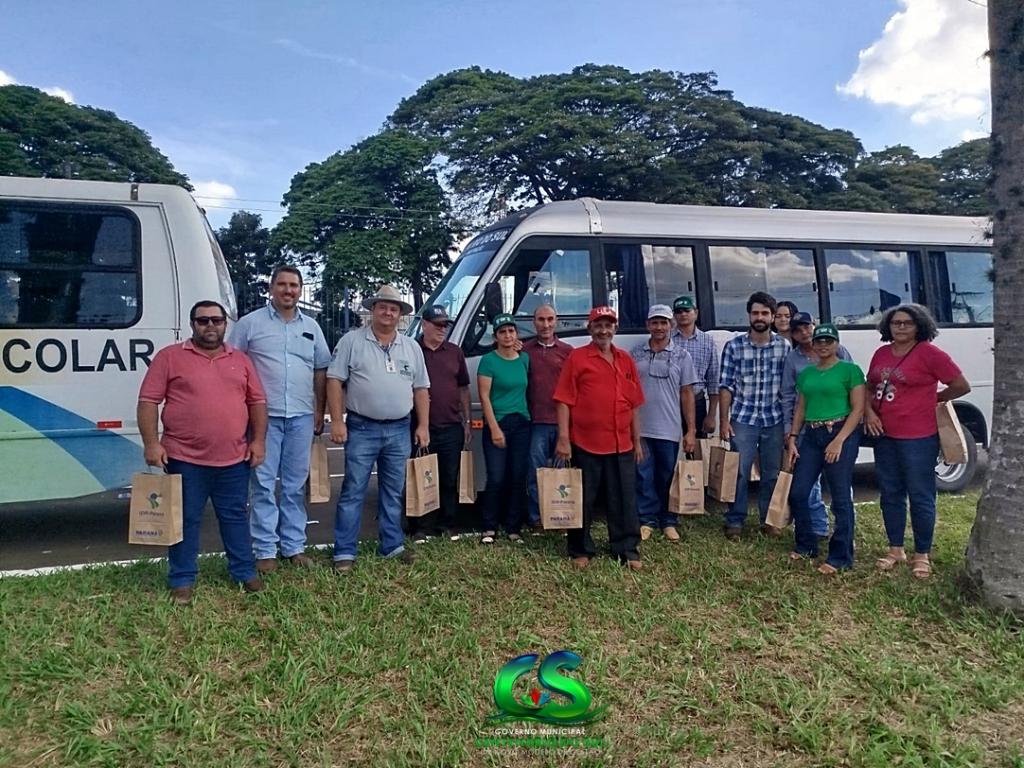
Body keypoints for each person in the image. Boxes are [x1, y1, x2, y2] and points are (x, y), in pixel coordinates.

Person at [137, 300, 268, 605]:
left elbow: (257, 404)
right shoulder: (170, 357)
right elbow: (148, 401)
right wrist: (151, 443)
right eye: (203, 321)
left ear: (226, 324)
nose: (210, 326)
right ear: (192, 324)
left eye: (216, 321)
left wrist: (258, 441)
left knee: (235, 517)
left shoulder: (241, 360)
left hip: (234, 458)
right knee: (185, 519)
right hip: (184, 458)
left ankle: (244, 572)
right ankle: (182, 578)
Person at [228, 265, 331, 572]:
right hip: (263, 419)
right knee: (261, 484)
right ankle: (264, 551)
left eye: (294, 285)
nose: (288, 290)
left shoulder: (312, 326)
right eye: (282, 284)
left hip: (300, 416)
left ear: (301, 290)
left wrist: (319, 410)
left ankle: (294, 547)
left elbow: (321, 370)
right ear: (271, 288)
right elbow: (233, 369)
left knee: (294, 486)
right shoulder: (250, 325)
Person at [326, 285, 430, 572]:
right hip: (362, 428)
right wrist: (336, 421)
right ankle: (344, 552)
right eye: (382, 307)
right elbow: (334, 380)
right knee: (353, 490)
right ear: (372, 310)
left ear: (400, 314)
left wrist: (423, 425)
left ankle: (392, 546)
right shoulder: (351, 341)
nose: (388, 312)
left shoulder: (411, 346)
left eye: (394, 308)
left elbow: (421, 388)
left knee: (393, 490)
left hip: (400, 429)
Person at [865, 303, 971, 579]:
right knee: (890, 493)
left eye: (907, 323)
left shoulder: (930, 354)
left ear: (919, 326)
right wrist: (869, 414)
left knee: (921, 494)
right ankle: (895, 549)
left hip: (918, 437)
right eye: (895, 322)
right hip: (884, 435)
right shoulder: (881, 353)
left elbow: (961, 384)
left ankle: (922, 554)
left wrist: (933, 399)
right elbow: (869, 386)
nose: (900, 327)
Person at [554, 306, 645, 570]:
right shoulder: (578, 358)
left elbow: (634, 404)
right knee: (583, 499)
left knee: (624, 499)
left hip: (621, 444)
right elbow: (563, 400)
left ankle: (626, 549)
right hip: (586, 442)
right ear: (589, 328)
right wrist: (563, 438)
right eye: (598, 325)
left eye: (608, 325)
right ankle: (580, 549)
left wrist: (637, 441)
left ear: (615, 329)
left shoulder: (625, 360)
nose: (603, 330)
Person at [786, 324, 866, 574]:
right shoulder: (807, 374)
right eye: (819, 341)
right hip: (812, 434)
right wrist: (792, 437)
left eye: (828, 341)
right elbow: (801, 407)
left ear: (837, 344)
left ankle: (841, 555)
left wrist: (839, 440)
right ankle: (806, 545)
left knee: (840, 496)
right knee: (798, 492)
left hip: (841, 431)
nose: (823, 345)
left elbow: (858, 409)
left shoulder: (850, 370)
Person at [719, 291, 790, 540]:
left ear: (772, 317)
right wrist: (724, 420)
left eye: (764, 313)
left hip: (774, 419)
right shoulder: (734, 346)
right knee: (739, 472)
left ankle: (768, 520)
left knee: (771, 473)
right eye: (755, 312)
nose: (759, 317)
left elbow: (788, 388)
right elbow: (726, 386)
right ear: (749, 315)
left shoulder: (784, 346)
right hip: (743, 419)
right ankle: (735, 520)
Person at [780, 311, 854, 539]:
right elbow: (791, 398)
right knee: (804, 487)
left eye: (807, 327)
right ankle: (815, 531)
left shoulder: (844, 360)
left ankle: (845, 537)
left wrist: (842, 437)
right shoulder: (796, 361)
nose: (804, 333)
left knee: (840, 489)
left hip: (839, 430)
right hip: (807, 430)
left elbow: (855, 399)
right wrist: (790, 432)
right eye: (798, 329)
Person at [632, 304, 698, 542]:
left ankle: (668, 520)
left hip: (669, 428)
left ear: (671, 325)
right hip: (641, 427)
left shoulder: (682, 355)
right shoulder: (636, 353)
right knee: (643, 476)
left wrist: (690, 430)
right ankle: (646, 520)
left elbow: (687, 394)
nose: (659, 327)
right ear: (648, 325)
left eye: (664, 322)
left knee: (667, 475)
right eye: (654, 322)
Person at [412, 305, 471, 542]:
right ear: (424, 324)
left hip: (451, 425)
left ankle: (448, 524)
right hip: (419, 425)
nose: (442, 329)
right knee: (420, 476)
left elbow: (463, 387)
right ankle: (419, 527)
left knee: (449, 477)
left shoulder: (455, 352)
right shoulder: (412, 349)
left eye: (444, 325)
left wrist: (466, 421)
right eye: (437, 324)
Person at [477, 313, 531, 543]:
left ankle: (513, 527)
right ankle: (489, 527)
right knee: (496, 477)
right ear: (495, 336)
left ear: (516, 334)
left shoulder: (524, 359)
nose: (508, 335)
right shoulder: (488, 361)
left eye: (511, 331)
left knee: (518, 477)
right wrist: (494, 428)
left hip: (522, 423)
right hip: (497, 423)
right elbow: (484, 397)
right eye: (502, 332)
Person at [522, 304, 573, 530]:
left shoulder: (568, 351)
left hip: (562, 424)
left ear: (557, 321)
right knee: (536, 473)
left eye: (550, 319)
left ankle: (560, 515)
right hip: (536, 422)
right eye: (541, 319)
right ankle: (536, 517)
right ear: (534, 322)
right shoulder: (524, 351)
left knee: (562, 474)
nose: (546, 324)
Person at [670, 295, 719, 437]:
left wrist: (711, 415)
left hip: (697, 403)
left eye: (687, 310)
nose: (683, 314)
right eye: (679, 311)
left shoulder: (707, 341)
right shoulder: (666, 339)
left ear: (695, 313)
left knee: (697, 450)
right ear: (674, 315)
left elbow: (713, 379)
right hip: (670, 403)